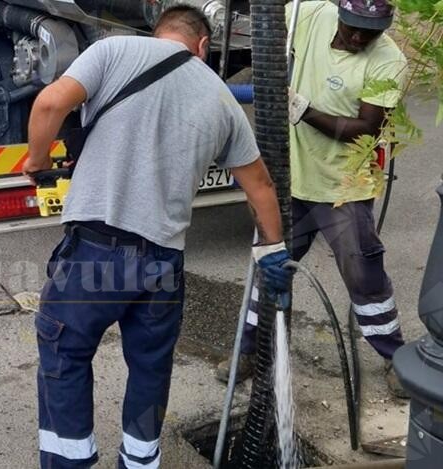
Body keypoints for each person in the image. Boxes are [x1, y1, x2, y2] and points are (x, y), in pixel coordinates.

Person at [22, 5, 293, 468]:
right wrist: (273, 252)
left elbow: (50, 103)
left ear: (160, 31)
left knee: (65, 354)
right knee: (149, 369)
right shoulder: (224, 99)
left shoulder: (113, 50)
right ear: (203, 46)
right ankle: (141, 460)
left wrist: (35, 159)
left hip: (95, 250)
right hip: (162, 264)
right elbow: (262, 187)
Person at [215, 0, 409, 398]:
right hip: (287, 178)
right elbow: (263, 15)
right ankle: (250, 350)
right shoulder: (309, 12)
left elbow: (365, 128)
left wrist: (303, 110)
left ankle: (395, 357)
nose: (357, 37)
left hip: (343, 188)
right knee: (267, 262)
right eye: (351, 26)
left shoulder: (390, 62)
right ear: (339, 12)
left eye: (368, 32)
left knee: (363, 275)